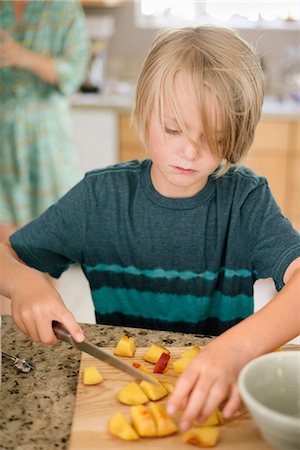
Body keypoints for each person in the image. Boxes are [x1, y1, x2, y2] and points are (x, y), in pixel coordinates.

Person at [0, 25, 299, 432]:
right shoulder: (98, 199)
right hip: (120, 388)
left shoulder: (245, 201)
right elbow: (7, 254)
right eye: (173, 129)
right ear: (142, 111)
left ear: (236, 135)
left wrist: (236, 351)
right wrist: (21, 282)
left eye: (212, 137)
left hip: (218, 396)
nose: (189, 151)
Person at [0, 0, 90, 241]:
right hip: (2, 135)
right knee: (5, 240)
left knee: (46, 238)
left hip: (46, 137)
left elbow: (75, 70)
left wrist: (23, 57)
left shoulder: (62, 8)